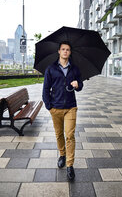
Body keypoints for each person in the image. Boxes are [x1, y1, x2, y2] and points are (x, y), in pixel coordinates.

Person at [42, 41, 83, 181]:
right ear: (59, 51)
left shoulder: (75, 68)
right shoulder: (51, 69)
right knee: (59, 134)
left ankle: (70, 165)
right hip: (56, 108)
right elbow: (45, 89)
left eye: (68, 49)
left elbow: (80, 85)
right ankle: (62, 155)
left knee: (70, 136)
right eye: (63, 49)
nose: (65, 51)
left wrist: (78, 85)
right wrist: (49, 106)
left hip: (71, 107)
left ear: (70, 52)